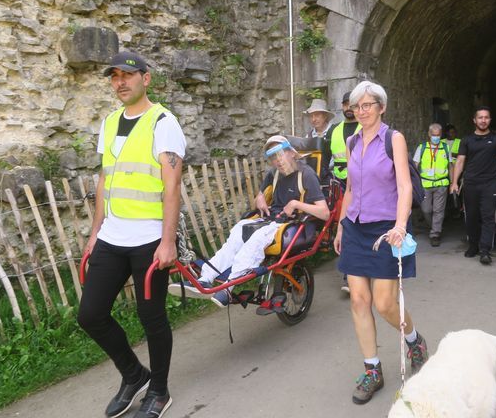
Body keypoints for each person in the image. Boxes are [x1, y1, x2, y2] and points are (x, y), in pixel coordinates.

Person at [77, 51, 186, 418]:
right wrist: (95, 234)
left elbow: (172, 187)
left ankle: (158, 390)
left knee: (151, 317)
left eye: (128, 74)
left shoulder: (163, 122)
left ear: (146, 79)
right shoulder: (108, 123)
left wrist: (168, 241)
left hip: (149, 240)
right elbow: (106, 181)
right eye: (114, 76)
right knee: (90, 315)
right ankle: (133, 374)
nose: (120, 82)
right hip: (112, 236)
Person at [333, 80, 428, 405]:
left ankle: (414, 340)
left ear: (381, 107)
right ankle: (372, 369)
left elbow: (404, 186)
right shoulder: (351, 141)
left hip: (388, 228)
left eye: (368, 105)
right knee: (359, 300)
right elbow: (350, 189)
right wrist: (341, 228)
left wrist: (401, 224)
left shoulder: (394, 139)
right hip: (356, 228)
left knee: (384, 303)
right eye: (357, 106)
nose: (361, 111)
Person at [171, 135, 330, 307]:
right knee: (237, 231)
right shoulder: (274, 174)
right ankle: (205, 278)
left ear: (291, 153)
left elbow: (324, 213)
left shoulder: (307, 175)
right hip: (271, 219)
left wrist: (295, 203)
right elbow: (260, 196)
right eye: (273, 157)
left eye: (281, 154)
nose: (278, 160)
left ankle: (227, 288)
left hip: (293, 223)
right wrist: (259, 198)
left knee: (256, 239)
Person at [449, 106, 496, 265]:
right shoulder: (466, 140)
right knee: (472, 216)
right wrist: (454, 182)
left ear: (490, 120)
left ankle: (485, 250)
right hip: (470, 184)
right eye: (480, 117)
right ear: (474, 120)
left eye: (486, 117)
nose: (483, 120)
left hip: (491, 183)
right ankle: (473, 245)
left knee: (488, 217)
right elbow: (460, 161)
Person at [326, 91, 361, 292]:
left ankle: (358, 273)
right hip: (340, 185)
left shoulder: (366, 128)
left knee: (357, 227)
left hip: (363, 185)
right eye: (346, 104)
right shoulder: (335, 130)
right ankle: (350, 276)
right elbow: (324, 156)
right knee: (346, 226)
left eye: (352, 104)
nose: (349, 108)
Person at [413, 123, 450, 247]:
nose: (436, 137)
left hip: (441, 184)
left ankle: (435, 234)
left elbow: (451, 165)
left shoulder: (445, 148)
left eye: (438, 135)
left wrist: (454, 181)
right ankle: (434, 226)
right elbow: (415, 165)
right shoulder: (422, 148)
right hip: (425, 184)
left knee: (438, 210)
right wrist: (413, 182)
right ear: (429, 135)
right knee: (426, 210)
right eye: (434, 135)